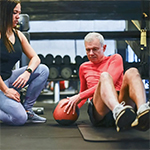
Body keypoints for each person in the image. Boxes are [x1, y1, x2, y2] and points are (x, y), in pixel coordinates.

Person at [61, 32, 150, 132]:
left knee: (132, 71)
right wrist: (70, 109)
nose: (91, 53)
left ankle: (142, 111)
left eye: (95, 49)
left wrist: (79, 96)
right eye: (88, 50)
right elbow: (83, 95)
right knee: (104, 76)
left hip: (123, 106)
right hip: (100, 111)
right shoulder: (83, 67)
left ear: (104, 48)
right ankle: (117, 111)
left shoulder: (115, 58)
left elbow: (111, 80)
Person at [0, 0, 49, 125]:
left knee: (42, 69)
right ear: (4, 12)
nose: (18, 16)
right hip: (1, 85)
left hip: (9, 78)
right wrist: (6, 90)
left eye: (19, 13)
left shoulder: (18, 34)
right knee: (19, 119)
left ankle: (28, 109)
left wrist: (28, 72)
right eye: (14, 12)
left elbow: (35, 58)